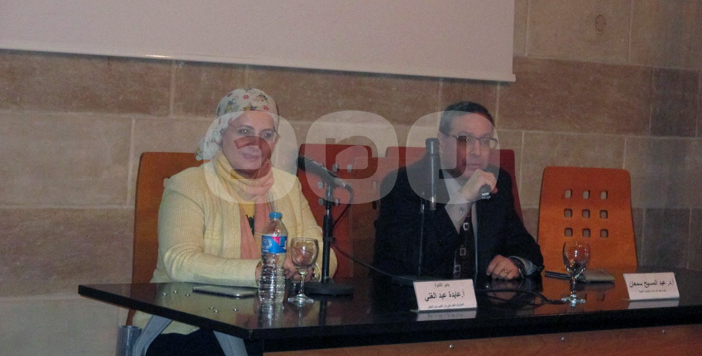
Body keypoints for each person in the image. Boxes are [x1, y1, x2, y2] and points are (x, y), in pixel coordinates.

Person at [133, 88, 336, 355]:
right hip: (187, 327)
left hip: (270, 325)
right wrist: (259, 271)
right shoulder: (189, 185)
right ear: (220, 134)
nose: (256, 144)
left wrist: (305, 269)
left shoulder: (288, 186)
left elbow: (323, 253)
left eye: (266, 135)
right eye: (244, 131)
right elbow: (179, 262)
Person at [373, 101, 542, 283]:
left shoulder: (497, 181)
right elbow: (413, 261)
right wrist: (463, 198)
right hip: (415, 298)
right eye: (465, 140)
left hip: (482, 298)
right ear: (442, 142)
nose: (477, 152)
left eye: (485, 141)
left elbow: (527, 248)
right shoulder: (406, 184)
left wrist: (516, 263)